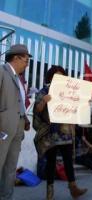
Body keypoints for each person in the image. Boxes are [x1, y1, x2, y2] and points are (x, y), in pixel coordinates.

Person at [33, 65, 87, 200]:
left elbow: (77, 109)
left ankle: (73, 188)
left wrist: (84, 103)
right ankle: (49, 193)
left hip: (66, 132)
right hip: (51, 134)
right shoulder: (44, 91)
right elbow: (37, 110)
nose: (60, 78)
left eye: (62, 75)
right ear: (50, 77)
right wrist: (44, 101)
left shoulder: (70, 93)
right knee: (51, 163)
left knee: (69, 161)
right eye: (57, 75)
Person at [0, 44, 31, 200]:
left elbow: (19, 103)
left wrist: (25, 118)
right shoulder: (2, 72)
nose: (27, 64)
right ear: (16, 57)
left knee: (11, 167)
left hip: (18, 127)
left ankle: (6, 197)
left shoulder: (20, 80)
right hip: (3, 129)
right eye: (26, 60)